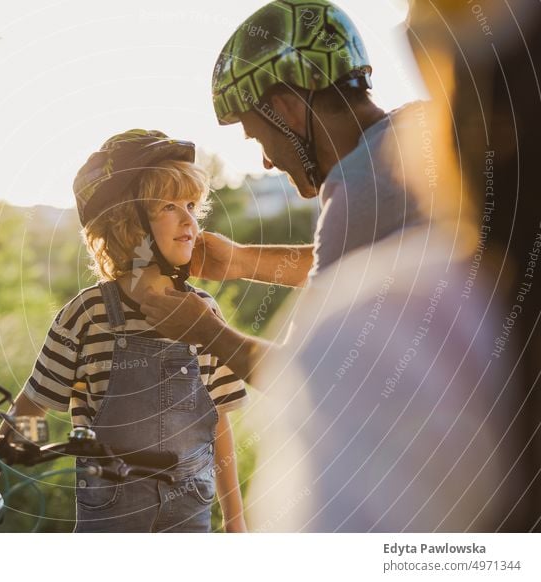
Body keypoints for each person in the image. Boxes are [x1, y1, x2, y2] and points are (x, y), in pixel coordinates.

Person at [0, 129, 249, 533]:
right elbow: (33, 403)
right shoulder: (88, 315)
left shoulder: (203, 313)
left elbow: (217, 422)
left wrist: (236, 522)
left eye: (192, 205)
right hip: (111, 514)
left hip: (189, 511)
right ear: (128, 222)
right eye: (170, 206)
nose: (189, 220)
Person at [141, 0, 426, 383]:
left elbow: (307, 386)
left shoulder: (360, 189)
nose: (267, 163)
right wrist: (240, 262)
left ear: (287, 110)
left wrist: (207, 333)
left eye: (258, 136)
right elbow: (363, 265)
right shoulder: (423, 132)